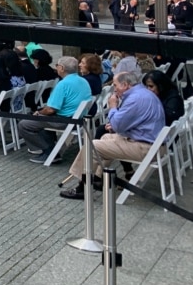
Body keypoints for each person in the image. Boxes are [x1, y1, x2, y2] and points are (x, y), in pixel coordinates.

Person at [60, 71, 165, 199]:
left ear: (125, 85)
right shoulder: (143, 93)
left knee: (92, 146)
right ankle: (97, 178)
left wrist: (113, 106)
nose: (114, 90)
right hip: (150, 142)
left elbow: (118, 125)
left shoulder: (135, 99)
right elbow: (129, 123)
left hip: (146, 148)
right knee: (105, 138)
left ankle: (83, 188)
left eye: (115, 86)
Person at [18, 56, 92, 164]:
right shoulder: (83, 80)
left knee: (24, 124)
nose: (56, 68)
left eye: (57, 65)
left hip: (64, 120)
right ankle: (50, 147)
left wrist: (39, 112)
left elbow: (51, 110)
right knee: (38, 120)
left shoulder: (63, 84)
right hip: (79, 118)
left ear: (61, 68)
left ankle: (49, 151)